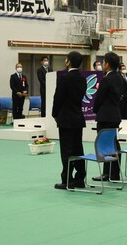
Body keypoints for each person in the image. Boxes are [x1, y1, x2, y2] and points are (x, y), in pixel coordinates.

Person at [52, 51, 87, 190]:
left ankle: (67, 179)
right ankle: (80, 178)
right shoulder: (82, 79)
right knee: (78, 149)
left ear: (69, 62)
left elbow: (58, 98)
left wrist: (55, 114)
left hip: (66, 118)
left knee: (66, 150)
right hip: (78, 117)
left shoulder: (64, 78)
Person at [92, 52, 123, 182]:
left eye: (104, 61)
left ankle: (106, 173)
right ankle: (114, 172)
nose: (102, 64)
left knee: (105, 143)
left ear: (107, 64)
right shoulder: (120, 77)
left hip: (105, 115)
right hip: (115, 114)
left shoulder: (106, 79)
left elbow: (99, 98)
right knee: (114, 142)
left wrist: (95, 109)